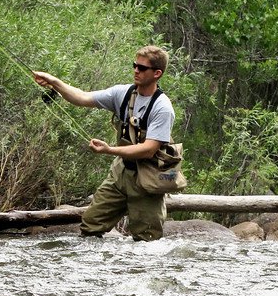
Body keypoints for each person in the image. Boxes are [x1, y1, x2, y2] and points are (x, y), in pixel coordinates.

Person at [33, 45, 175, 241]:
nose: (136, 70)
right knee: (90, 226)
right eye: (135, 65)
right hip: (120, 173)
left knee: (147, 241)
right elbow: (82, 97)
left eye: (142, 68)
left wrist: (109, 150)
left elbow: (149, 149)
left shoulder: (163, 107)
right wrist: (54, 82)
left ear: (157, 73)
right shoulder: (122, 93)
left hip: (148, 179)